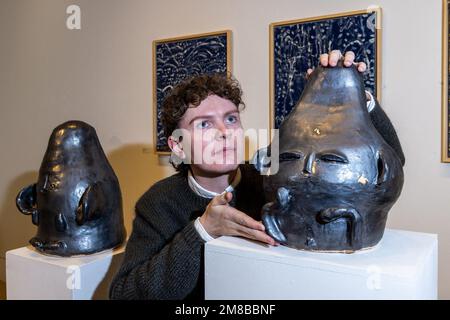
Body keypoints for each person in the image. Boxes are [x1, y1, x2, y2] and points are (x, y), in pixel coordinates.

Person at [109, 50, 405, 300]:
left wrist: (355, 96)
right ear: (178, 146)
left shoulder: (271, 175)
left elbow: (390, 164)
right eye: (203, 125)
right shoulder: (158, 203)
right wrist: (202, 231)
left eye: (231, 119)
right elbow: (124, 293)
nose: (225, 133)